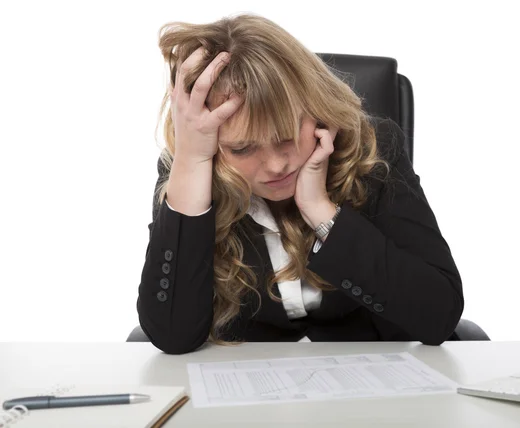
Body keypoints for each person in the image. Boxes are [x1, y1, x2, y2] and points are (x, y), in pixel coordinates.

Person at [137, 13, 464, 355]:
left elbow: (438, 315)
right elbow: (172, 336)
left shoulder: (374, 151)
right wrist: (193, 164)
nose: (277, 164)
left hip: (370, 383)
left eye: (287, 137)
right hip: (247, 391)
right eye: (243, 147)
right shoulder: (190, 171)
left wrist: (322, 211)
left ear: (316, 109)